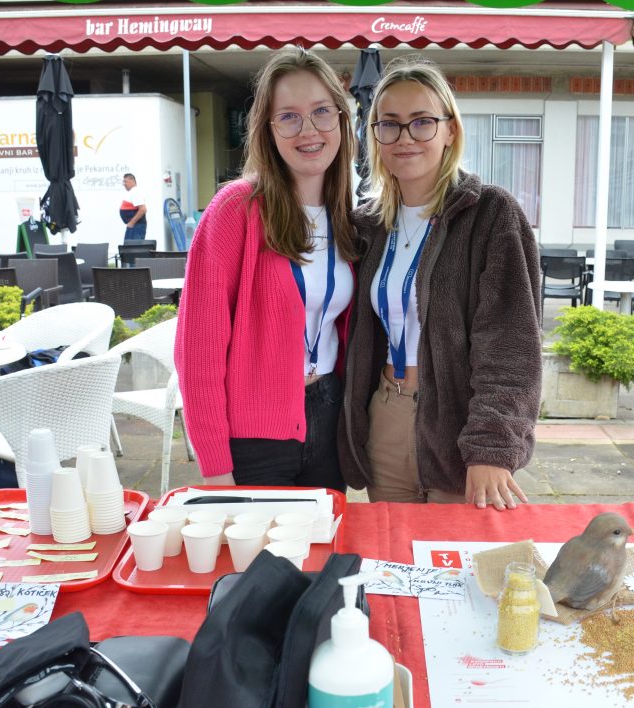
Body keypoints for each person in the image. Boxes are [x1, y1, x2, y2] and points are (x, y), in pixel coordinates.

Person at [338, 58, 542, 511]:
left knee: (456, 554)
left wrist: (492, 446)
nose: (405, 137)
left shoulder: (491, 214)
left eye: (422, 122)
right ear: (374, 135)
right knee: (392, 550)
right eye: (389, 124)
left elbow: (511, 344)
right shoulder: (369, 226)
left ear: (450, 130)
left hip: (459, 424)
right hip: (386, 417)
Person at [175, 49, 357, 489]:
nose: (308, 130)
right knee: (258, 539)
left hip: (329, 419)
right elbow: (198, 352)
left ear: (341, 119)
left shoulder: (348, 216)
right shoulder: (236, 209)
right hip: (254, 438)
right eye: (289, 117)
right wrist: (215, 465)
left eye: (321, 112)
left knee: (324, 536)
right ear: (268, 129)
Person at [119, 173, 147, 241]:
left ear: (133, 181)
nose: (124, 184)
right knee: (128, 246)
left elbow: (143, 209)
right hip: (134, 226)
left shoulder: (136, 192)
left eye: (125, 181)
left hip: (136, 227)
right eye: (123, 182)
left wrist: (132, 223)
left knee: (133, 247)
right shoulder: (133, 192)